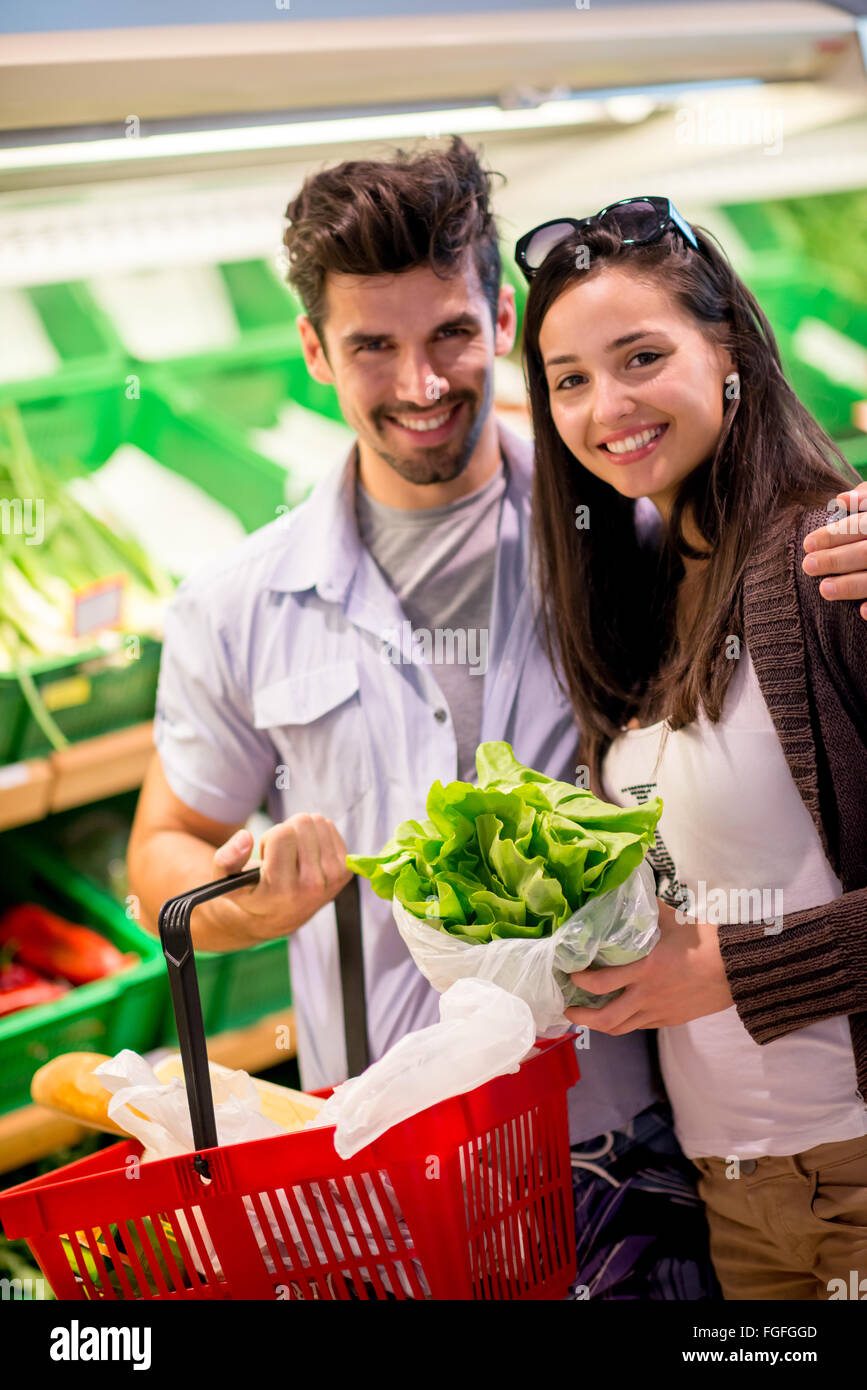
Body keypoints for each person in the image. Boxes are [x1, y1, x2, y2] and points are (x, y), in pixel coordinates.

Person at [127, 148, 867, 1301]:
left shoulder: (627, 531)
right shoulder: (237, 604)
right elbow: (160, 859)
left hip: (634, 1155)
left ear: (499, 317)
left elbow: (788, 531)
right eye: (373, 345)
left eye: (451, 337)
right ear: (317, 352)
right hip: (382, 1167)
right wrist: (247, 898)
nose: (420, 382)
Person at [516, 195, 867, 1299]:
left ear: (730, 356)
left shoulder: (832, 559)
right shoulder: (644, 588)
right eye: (569, 378)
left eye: (641, 356)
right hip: (734, 1193)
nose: (605, 406)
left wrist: (726, 969)